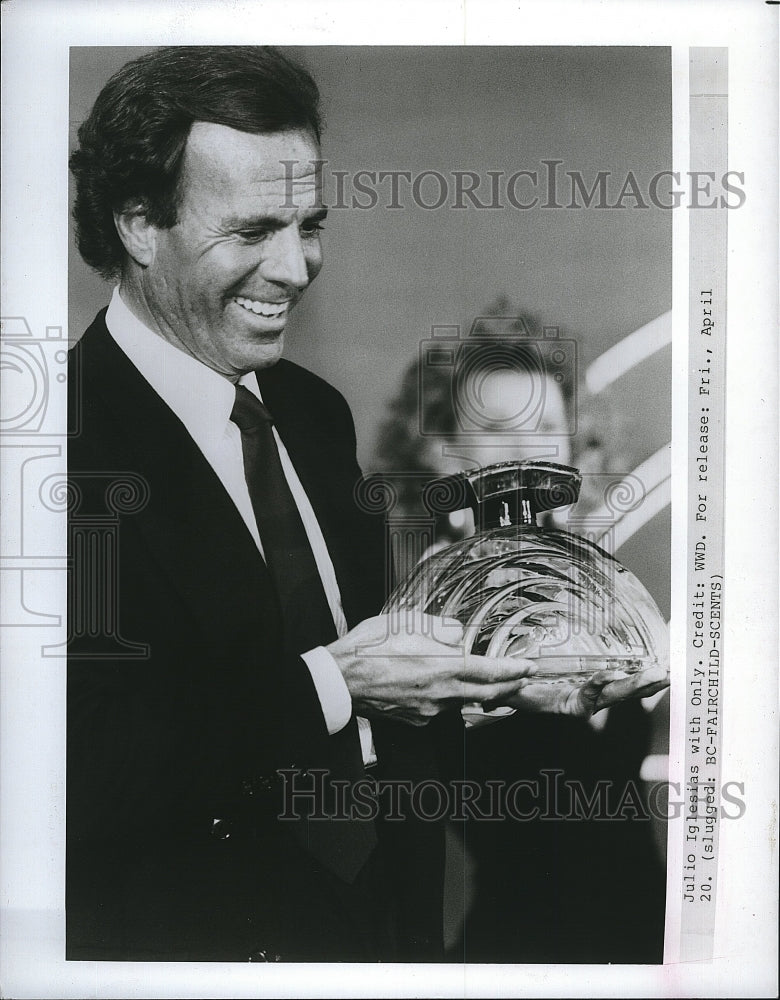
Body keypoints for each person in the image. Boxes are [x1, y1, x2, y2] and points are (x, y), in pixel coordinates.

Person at [67, 46, 668, 963]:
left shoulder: (311, 413)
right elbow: (77, 766)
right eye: (255, 229)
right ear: (141, 223)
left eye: (310, 223)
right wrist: (336, 684)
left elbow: (378, 733)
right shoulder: (56, 445)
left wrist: (491, 688)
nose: (298, 266)